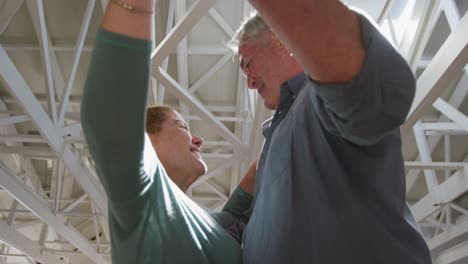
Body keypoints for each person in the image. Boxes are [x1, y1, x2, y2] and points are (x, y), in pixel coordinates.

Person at [224, 1, 432, 264]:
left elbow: (368, 88)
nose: (249, 82)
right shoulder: (273, 143)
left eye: (248, 64)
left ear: (280, 38)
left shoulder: (318, 99)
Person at [81, 0, 254, 263]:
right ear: (147, 140)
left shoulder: (208, 220)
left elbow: (236, 216)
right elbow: (109, 120)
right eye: (183, 126)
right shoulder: (144, 198)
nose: (199, 140)